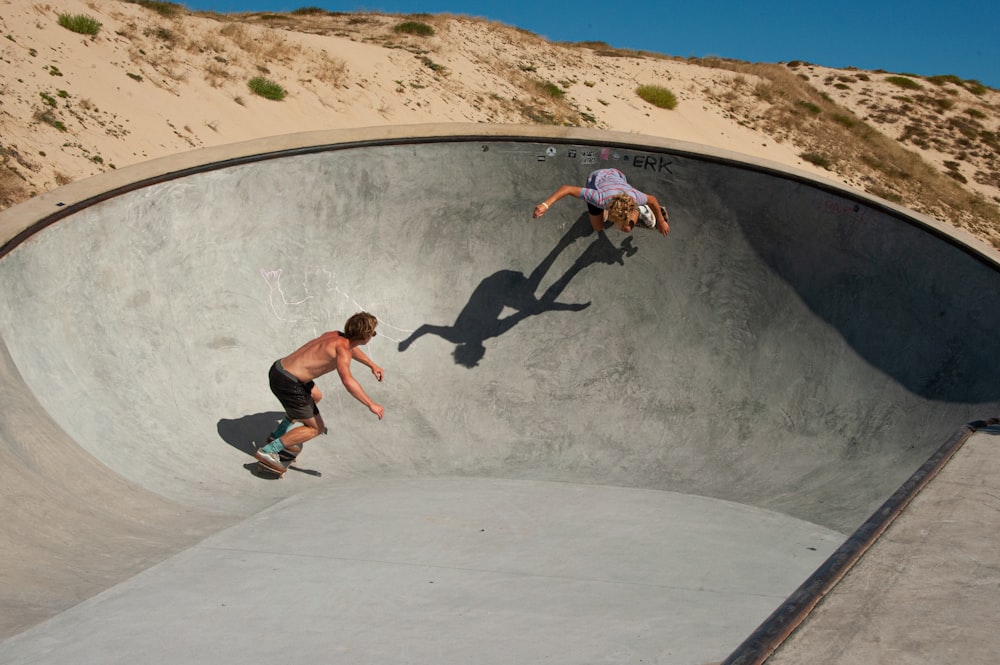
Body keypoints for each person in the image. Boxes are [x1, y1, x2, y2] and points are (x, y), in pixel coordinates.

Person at [255, 311, 384, 476]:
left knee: (316, 396)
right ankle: (269, 450)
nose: (373, 336)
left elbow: (352, 348)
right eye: (372, 333)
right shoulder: (343, 351)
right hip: (288, 383)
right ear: (366, 336)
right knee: (315, 428)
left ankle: (279, 434)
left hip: (279, 369)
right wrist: (371, 404)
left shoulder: (336, 336)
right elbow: (348, 381)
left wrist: (371, 364)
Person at [533, 167, 670, 236]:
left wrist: (661, 221)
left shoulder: (635, 197)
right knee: (598, 228)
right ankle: (608, 215)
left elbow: (652, 199)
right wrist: (545, 205)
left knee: (627, 229)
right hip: (596, 178)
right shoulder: (597, 198)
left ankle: (641, 210)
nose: (621, 225)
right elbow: (567, 189)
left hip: (617, 175)